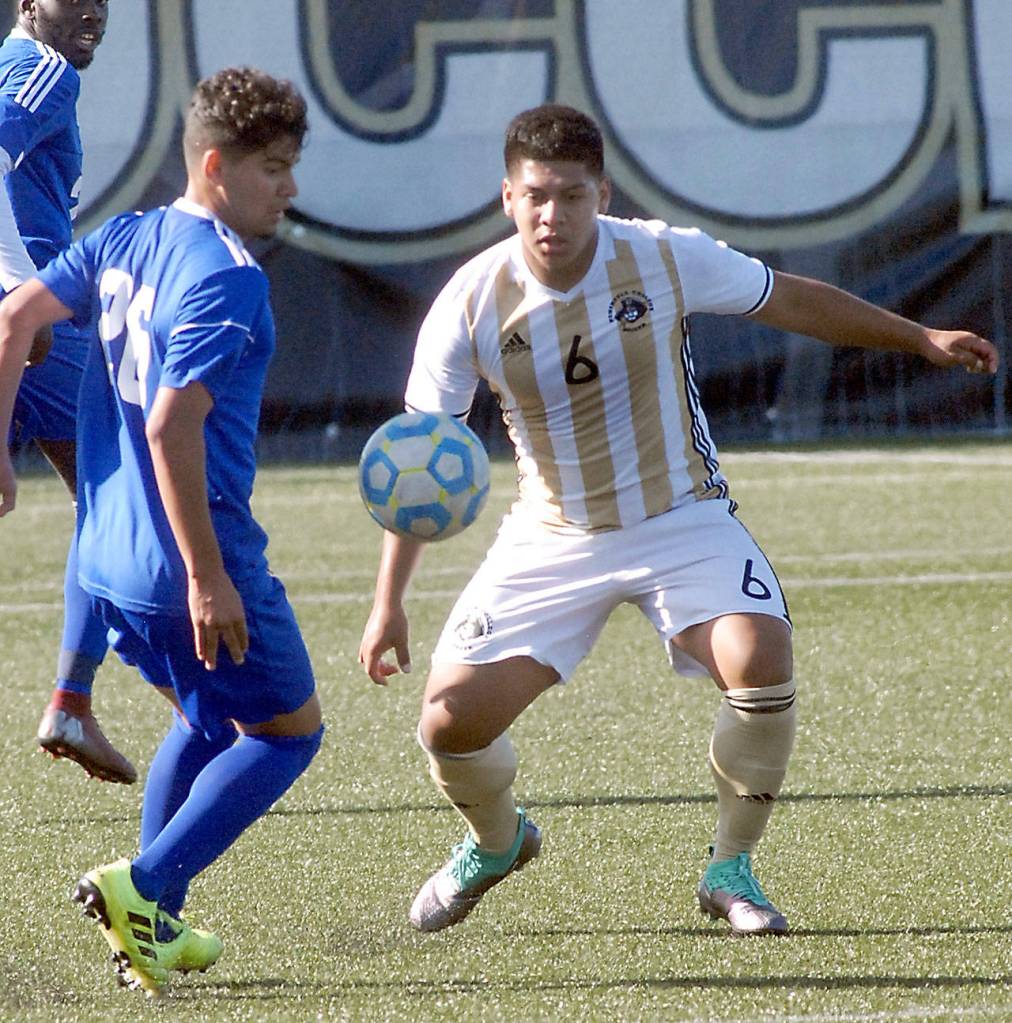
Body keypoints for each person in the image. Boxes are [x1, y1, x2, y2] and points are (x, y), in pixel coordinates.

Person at [358, 104, 999, 938]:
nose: (554, 215)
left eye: (573, 196)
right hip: (552, 534)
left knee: (760, 661)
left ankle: (730, 867)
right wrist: (388, 601)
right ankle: (496, 840)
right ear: (507, 198)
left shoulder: (659, 255)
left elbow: (790, 301)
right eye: (536, 196)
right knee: (448, 721)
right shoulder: (470, 303)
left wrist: (919, 337)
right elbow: (419, 460)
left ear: (603, 194)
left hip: (682, 516)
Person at [0, 66, 323, 997]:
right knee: (287, 734)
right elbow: (171, 422)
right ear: (216, 165)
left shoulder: (128, 235)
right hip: (185, 561)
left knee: (203, 715)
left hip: (102, 558)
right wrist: (208, 576)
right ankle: (142, 886)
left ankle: (156, 922)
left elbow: (16, 312)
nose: (289, 187)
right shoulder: (228, 277)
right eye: (274, 167)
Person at [0, 0, 134, 783]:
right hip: (41, 322)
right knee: (122, 506)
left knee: (110, 502)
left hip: (39, 323)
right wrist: (15, 294)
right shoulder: (41, 69)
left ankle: (74, 704)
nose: (91, 9)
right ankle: (74, 702)